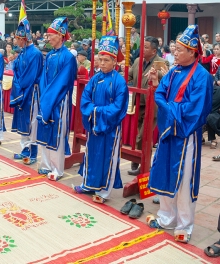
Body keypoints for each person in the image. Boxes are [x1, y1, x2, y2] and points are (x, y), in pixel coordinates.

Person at [147, 25, 213, 243]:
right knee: (166, 173)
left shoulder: (202, 76)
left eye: (180, 50)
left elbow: (196, 110)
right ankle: (166, 217)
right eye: (175, 49)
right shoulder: (174, 71)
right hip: (168, 131)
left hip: (186, 133)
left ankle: (185, 224)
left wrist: (169, 109)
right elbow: (159, 94)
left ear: (193, 53)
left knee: (185, 181)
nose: (175, 52)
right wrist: (171, 108)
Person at [74, 36, 129, 203]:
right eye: (100, 59)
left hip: (110, 127)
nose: (102, 63)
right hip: (94, 124)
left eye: (106, 60)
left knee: (108, 157)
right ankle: (89, 184)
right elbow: (85, 99)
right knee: (92, 153)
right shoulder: (95, 78)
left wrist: (96, 112)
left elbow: (118, 107)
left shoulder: (119, 82)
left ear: (114, 61)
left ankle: (104, 191)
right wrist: (94, 113)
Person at [35, 17, 77, 181]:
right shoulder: (50, 55)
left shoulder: (68, 57)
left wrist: (49, 98)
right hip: (46, 98)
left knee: (57, 133)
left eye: (51, 35)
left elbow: (63, 82)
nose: (48, 38)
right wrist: (44, 96)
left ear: (60, 35)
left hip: (59, 100)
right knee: (45, 130)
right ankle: (45, 164)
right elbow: (43, 78)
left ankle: (57, 168)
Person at [127, 36, 168, 174]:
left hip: (153, 105)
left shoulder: (161, 62)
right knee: (140, 135)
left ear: (154, 50)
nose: (142, 49)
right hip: (138, 102)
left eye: (146, 47)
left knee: (144, 135)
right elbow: (130, 76)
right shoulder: (138, 61)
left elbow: (166, 81)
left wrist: (156, 75)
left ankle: (140, 162)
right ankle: (141, 163)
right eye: (142, 46)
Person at [10, 17, 43, 165]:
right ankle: (24, 149)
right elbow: (15, 68)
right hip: (22, 90)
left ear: (25, 38)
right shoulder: (23, 52)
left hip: (30, 92)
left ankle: (33, 153)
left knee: (32, 123)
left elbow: (30, 76)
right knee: (23, 123)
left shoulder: (34, 53)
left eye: (18, 38)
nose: (16, 41)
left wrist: (20, 88)